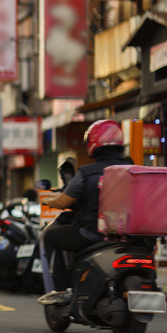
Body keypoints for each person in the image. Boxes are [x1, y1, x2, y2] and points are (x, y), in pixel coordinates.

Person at [37, 119, 133, 305]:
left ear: (93, 143)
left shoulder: (87, 172)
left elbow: (64, 200)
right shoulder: (133, 169)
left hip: (92, 234)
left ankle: (61, 290)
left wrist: (49, 200)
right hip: (129, 236)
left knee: (50, 237)